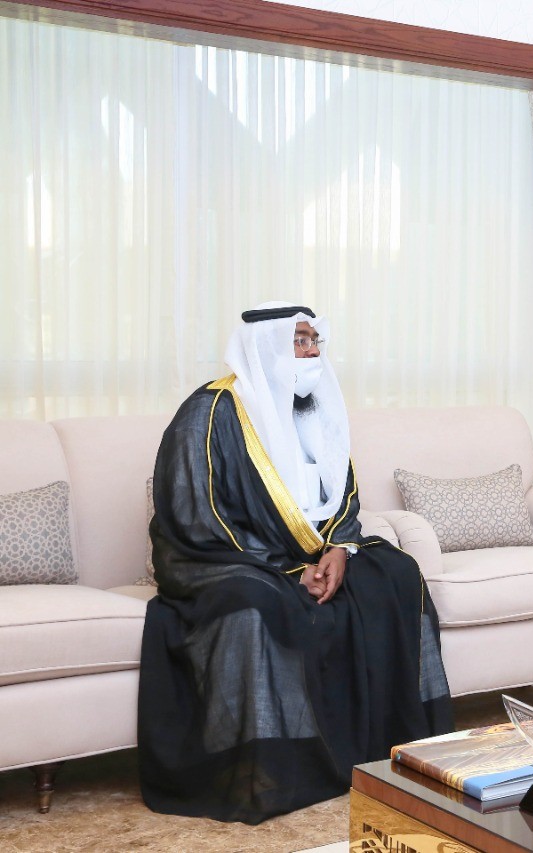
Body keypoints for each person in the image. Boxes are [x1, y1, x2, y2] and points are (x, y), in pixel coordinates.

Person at [140, 302, 453, 824]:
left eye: (314, 342)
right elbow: (196, 514)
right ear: (266, 347)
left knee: (397, 574)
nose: (312, 353)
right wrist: (283, 569)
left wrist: (340, 550)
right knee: (255, 601)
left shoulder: (315, 409)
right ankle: (282, 763)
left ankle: (392, 747)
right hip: (230, 556)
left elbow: (343, 496)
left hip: (317, 550)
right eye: (300, 341)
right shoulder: (210, 412)